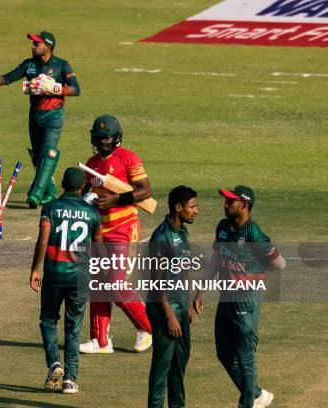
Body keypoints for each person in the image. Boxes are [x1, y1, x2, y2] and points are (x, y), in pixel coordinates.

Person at [0, 31, 80, 208]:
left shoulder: (62, 66)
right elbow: (7, 78)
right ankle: (50, 192)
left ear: (48, 46)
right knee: (38, 157)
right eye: (33, 43)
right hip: (35, 115)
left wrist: (55, 88)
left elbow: (76, 89)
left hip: (53, 116)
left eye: (37, 44)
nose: (33, 46)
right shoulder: (29, 65)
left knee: (48, 153)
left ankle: (35, 195)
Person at [193, 186, 286, 408]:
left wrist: (257, 268)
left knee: (245, 357)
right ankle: (256, 394)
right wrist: (202, 288)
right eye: (225, 200)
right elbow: (216, 257)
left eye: (230, 201)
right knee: (224, 353)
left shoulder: (254, 234)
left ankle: (247, 404)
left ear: (244, 205)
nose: (225, 204)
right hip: (226, 297)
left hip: (246, 299)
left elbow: (281, 264)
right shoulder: (223, 227)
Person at [79, 114, 154, 354]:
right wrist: (86, 200)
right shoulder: (91, 163)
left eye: (107, 138)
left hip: (124, 228)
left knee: (115, 283)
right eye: (98, 138)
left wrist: (116, 198)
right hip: (99, 231)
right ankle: (100, 340)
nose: (102, 142)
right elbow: (82, 193)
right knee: (98, 283)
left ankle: (150, 327)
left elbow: (145, 191)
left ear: (117, 138)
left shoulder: (129, 158)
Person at [29, 167, 102, 394]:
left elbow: (43, 241)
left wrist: (35, 268)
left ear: (62, 183)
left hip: (54, 274)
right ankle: (70, 380)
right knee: (73, 329)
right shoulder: (92, 213)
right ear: (83, 187)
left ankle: (54, 363)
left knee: (48, 320)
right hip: (80, 277)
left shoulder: (50, 207)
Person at [146, 186, 198, 408]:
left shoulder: (183, 232)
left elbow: (184, 268)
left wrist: (186, 306)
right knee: (162, 365)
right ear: (178, 207)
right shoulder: (161, 237)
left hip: (180, 308)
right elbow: (156, 282)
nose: (196, 211)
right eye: (192, 206)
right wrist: (170, 316)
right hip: (163, 311)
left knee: (179, 363)